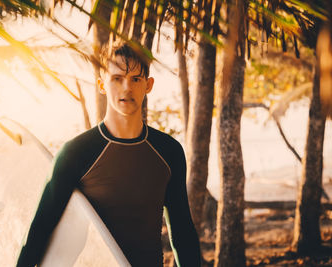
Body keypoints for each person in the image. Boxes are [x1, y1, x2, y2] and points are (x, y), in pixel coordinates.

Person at [17, 41, 201, 267]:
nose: (126, 88)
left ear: (148, 85)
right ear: (102, 84)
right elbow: (39, 232)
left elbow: (182, 233)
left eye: (136, 79)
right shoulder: (76, 153)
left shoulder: (168, 151)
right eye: (117, 78)